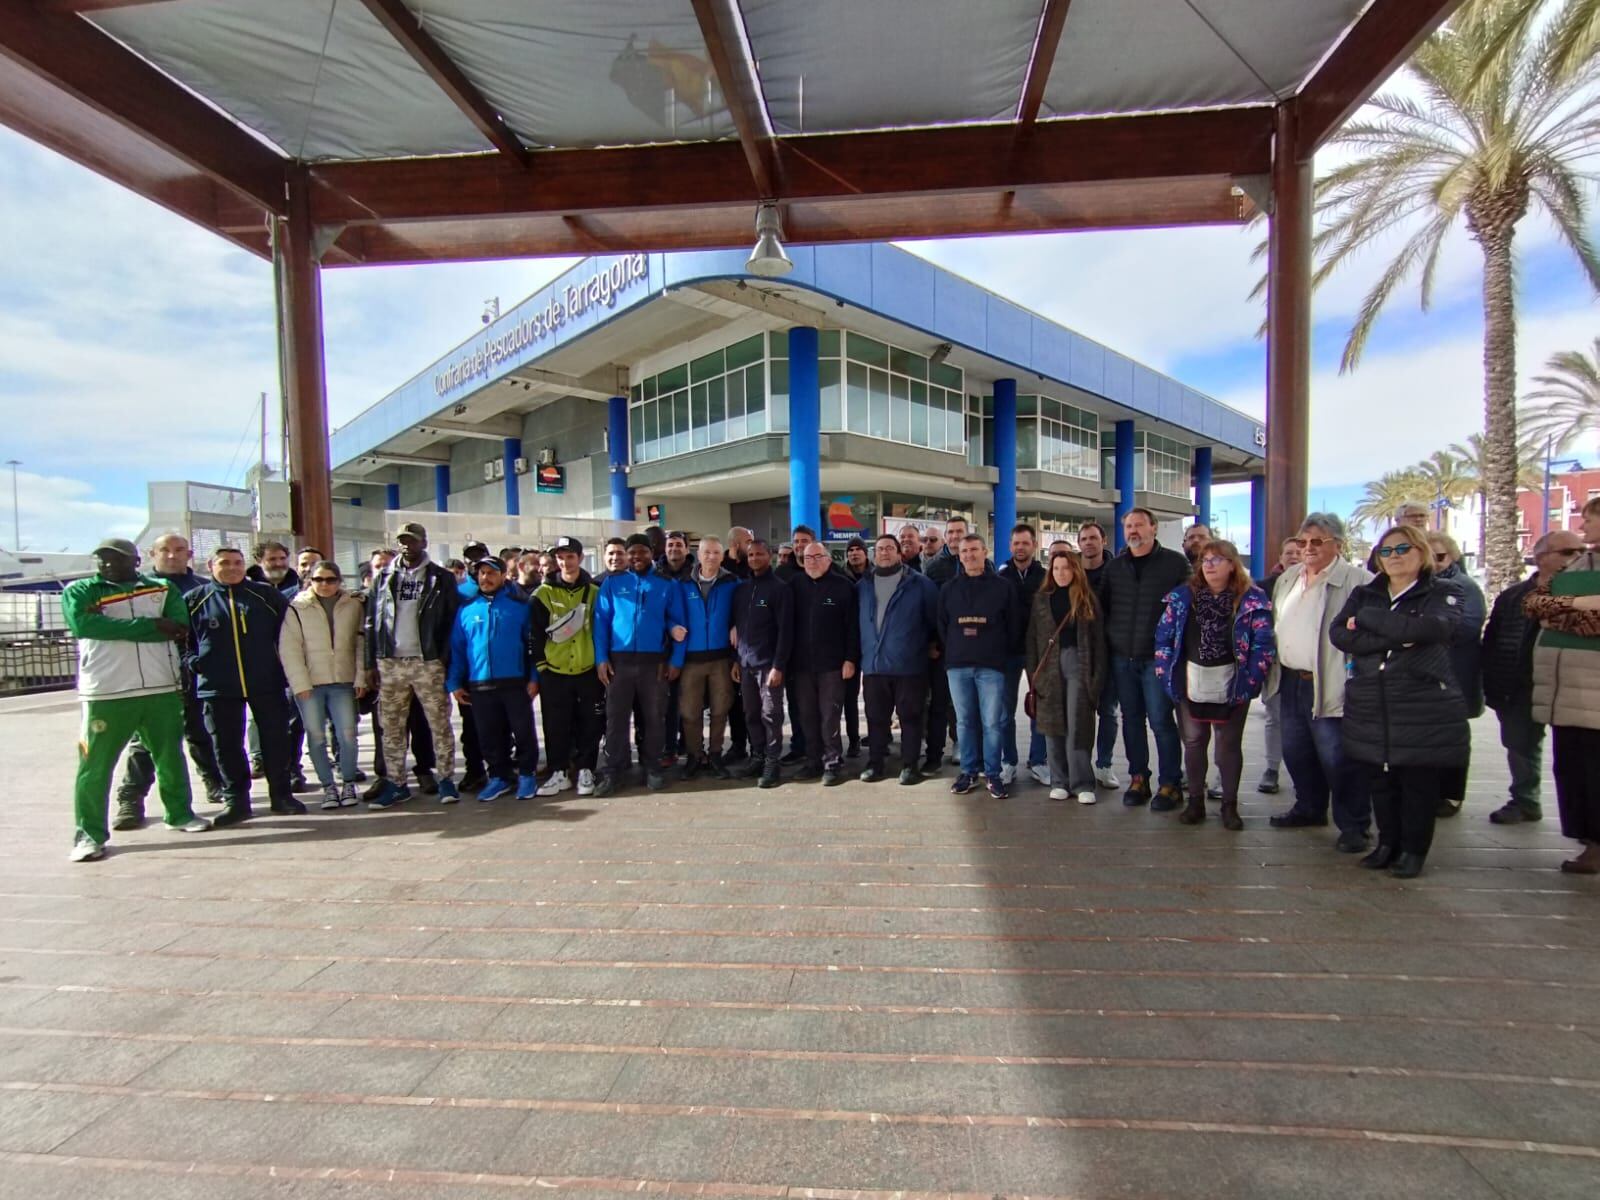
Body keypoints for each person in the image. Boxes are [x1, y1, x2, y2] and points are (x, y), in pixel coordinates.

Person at [1330, 525, 1470, 878]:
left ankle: (1413, 850)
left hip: (1420, 704)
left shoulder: (1445, 591)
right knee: (1380, 779)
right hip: (1371, 702)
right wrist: (1395, 635)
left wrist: (1366, 621)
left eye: (1402, 549)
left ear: (1421, 553)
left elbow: (1432, 630)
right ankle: (1387, 844)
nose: (1393, 557)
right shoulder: (1366, 592)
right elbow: (1339, 635)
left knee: (1417, 783)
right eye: (1386, 551)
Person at [62, 538, 212, 861]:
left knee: (170, 755)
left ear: (135, 560)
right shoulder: (80, 590)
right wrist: (151, 625)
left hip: (160, 686)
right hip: (106, 691)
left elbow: (178, 627)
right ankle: (89, 834)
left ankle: (180, 813)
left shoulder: (161, 589)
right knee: (95, 765)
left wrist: (115, 625)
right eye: (101, 559)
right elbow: (85, 625)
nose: (106, 564)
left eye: (115, 558)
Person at [1264, 513, 1374, 852]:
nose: (1307, 548)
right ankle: (1309, 807)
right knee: (1297, 752)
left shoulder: (1360, 581)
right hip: (1290, 680)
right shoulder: (1289, 579)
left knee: (1338, 758)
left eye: (1317, 542)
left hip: (1330, 681)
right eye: (1302, 542)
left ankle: (1354, 824)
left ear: (1337, 545)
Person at [1153, 540, 1276, 830]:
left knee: (1227, 747)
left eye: (1217, 560)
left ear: (1232, 564)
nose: (1208, 565)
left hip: (1234, 685)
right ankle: (1195, 801)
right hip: (1189, 682)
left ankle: (1229, 806)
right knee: (1194, 743)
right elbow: (1163, 638)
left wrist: (1252, 678)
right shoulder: (1183, 598)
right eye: (1205, 560)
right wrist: (1164, 672)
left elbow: (1264, 644)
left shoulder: (1252, 600)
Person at [109, 531, 224, 830]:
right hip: (150, 672)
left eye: (179, 549)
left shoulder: (205, 588)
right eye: (165, 550)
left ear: (189, 554)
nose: (172, 555)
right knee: (145, 741)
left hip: (194, 672)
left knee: (202, 729)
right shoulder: (137, 590)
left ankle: (214, 781)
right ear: (152, 554)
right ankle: (131, 798)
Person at [187, 546, 302, 825]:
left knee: (276, 740)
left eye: (237, 563)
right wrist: (193, 661)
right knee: (226, 745)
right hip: (218, 685)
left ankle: (281, 795)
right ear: (210, 566)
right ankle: (236, 801)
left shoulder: (264, 595)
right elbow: (183, 639)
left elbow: (289, 632)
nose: (232, 568)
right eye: (225, 563)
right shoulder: (194, 600)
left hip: (266, 681)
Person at [1484, 532, 1583, 824]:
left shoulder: (1586, 595)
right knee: (1519, 745)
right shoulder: (1513, 597)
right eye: (1566, 552)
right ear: (1541, 558)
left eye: (1580, 550)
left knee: (1577, 755)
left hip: (1573, 688)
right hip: (1519, 687)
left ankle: (1583, 819)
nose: (1575, 557)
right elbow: (1492, 642)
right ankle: (1525, 800)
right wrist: (1492, 685)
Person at [1526, 496, 1600, 874]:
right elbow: (1538, 605)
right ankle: (1587, 840)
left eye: (1590, 520)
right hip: (1563, 690)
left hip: (1593, 693)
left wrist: (1565, 613)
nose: (1584, 527)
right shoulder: (1577, 566)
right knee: (1571, 770)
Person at [366, 522, 462, 808]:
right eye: (402, 540)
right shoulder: (383, 577)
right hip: (391, 662)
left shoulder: (440, 578)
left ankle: (445, 779)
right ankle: (396, 784)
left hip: (427, 661)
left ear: (424, 542)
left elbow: (450, 620)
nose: (406, 545)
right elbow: (371, 622)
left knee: (439, 723)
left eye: (412, 540)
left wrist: (443, 658)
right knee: (391, 727)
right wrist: (371, 663)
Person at [1099, 507, 1190, 809]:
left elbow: (1186, 611)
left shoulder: (1175, 564)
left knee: (1162, 721)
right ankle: (1138, 778)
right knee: (1132, 720)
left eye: (1139, 525)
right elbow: (1104, 609)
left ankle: (1170, 785)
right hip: (1122, 657)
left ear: (1154, 528)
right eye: (1128, 527)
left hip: (1157, 659)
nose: (1133, 531)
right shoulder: (1115, 567)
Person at [594, 533, 687, 796]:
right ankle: (615, 770)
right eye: (631, 552)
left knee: (654, 718)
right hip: (618, 663)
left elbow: (679, 624)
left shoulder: (666, 584)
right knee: (616, 719)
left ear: (651, 553)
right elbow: (600, 623)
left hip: (653, 664)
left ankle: (653, 767)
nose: (636, 557)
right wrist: (601, 658)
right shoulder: (612, 583)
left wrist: (676, 660)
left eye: (641, 552)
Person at [939, 533, 1025, 798]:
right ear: (959, 555)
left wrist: (997, 651)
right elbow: (943, 626)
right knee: (964, 722)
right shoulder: (948, 589)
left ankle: (993, 774)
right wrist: (956, 649)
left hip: (991, 665)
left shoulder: (1003, 587)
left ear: (984, 551)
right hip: (958, 665)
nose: (969, 555)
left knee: (992, 723)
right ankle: (968, 772)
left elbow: (1014, 625)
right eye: (964, 551)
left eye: (974, 550)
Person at [448, 557, 540, 802]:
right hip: (479, 683)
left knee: (523, 731)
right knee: (488, 734)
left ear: (502, 576)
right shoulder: (467, 609)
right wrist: (455, 683)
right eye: (481, 573)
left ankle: (527, 774)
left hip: (514, 681)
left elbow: (532, 646)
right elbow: (458, 649)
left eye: (491, 573)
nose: (485, 578)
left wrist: (533, 677)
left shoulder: (519, 606)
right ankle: (499, 776)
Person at [278, 560, 365, 810]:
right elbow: (290, 648)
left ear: (339, 581)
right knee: (316, 737)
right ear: (310, 580)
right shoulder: (296, 607)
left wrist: (360, 677)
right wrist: (299, 683)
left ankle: (348, 782)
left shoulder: (353, 605)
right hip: (311, 683)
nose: (324, 585)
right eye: (318, 580)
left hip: (343, 680)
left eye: (330, 579)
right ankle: (328, 787)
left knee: (347, 735)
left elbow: (361, 644)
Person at [858, 533, 940, 785]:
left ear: (899, 553)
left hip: (909, 666)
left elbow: (934, 620)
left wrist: (931, 646)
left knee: (911, 717)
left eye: (889, 548)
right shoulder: (862, 586)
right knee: (876, 718)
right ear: (874, 554)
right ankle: (875, 764)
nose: (884, 552)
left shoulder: (920, 584)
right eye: (880, 548)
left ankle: (909, 765)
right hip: (874, 666)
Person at [1025, 547, 1106, 804]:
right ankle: (1059, 780)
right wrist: (1033, 676)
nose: (1061, 573)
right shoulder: (1041, 599)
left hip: (1077, 663)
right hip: (1048, 667)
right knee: (1052, 724)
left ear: (1075, 570)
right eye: (1056, 568)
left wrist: (1095, 680)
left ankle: (1082, 783)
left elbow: (1099, 642)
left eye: (1066, 567)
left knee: (1078, 723)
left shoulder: (1086, 599)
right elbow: (1032, 639)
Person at [528, 535, 604, 797]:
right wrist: (541, 667)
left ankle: (586, 769)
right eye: (560, 557)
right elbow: (535, 634)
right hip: (555, 672)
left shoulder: (595, 592)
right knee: (555, 724)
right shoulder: (542, 593)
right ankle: (559, 771)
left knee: (590, 723)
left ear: (580, 558)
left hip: (588, 671)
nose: (565, 562)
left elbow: (602, 630)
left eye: (570, 556)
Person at [787, 541, 860, 785]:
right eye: (808, 558)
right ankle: (813, 761)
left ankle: (832, 762)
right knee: (807, 715)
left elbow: (853, 627)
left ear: (828, 559)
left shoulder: (844, 587)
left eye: (818, 557)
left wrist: (850, 659)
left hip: (833, 665)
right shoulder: (795, 586)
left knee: (829, 715)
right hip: (802, 666)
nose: (813, 562)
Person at [1425, 530, 1486, 818]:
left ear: (1453, 556)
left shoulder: (1464, 586)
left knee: (1453, 738)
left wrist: (1420, 630)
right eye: (1428, 556)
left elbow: (1468, 627)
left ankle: (1451, 794)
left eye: (1440, 556)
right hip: (1424, 676)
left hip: (1455, 675)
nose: (1434, 562)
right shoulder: (1418, 586)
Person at [676, 535, 739, 780]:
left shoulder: (732, 582)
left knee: (720, 709)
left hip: (720, 659)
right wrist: (673, 627)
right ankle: (694, 755)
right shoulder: (681, 583)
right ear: (698, 554)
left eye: (716, 552)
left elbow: (742, 610)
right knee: (690, 711)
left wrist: (737, 625)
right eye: (707, 552)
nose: (711, 557)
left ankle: (714, 755)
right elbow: (671, 613)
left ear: (722, 556)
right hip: (691, 659)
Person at [731, 539, 791, 787]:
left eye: (760, 554)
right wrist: (737, 660)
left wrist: (778, 665)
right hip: (745, 664)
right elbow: (739, 630)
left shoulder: (779, 588)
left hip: (768, 665)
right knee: (751, 713)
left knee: (771, 715)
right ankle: (757, 755)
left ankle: (772, 762)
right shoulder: (742, 589)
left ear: (770, 556)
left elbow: (786, 631)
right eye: (751, 554)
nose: (754, 558)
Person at [1253, 535, 1305, 796]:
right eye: (1289, 553)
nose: (1294, 556)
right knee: (1274, 717)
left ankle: (1306, 777)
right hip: (1275, 664)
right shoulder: (1264, 587)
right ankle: (1272, 769)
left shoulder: (1314, 585)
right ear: (1280, 558)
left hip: (1306, 667)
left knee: (1305, 722)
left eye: (1299, 552)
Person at [999, 523, 1048, 787]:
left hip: (1037, 652)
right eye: (1016, 543)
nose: (1020, 547)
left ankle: (1039, 761)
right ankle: (1008, 762)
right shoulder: (1001, 576)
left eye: (1025, 543)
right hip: (1006, 653)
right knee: (1004, 711)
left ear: (1034, 544)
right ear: (1010, 546)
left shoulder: (1045, 576)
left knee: (1038, 709)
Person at [1077, 520, 1120, 790]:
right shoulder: (1072, 572)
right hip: (1080, 654)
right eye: (1084, 539)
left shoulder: (1116, 571)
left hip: (1111, 651)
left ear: (1103, 541)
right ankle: (1080, 766)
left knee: (1108, 711)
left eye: (1094, 538)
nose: (1089, 543)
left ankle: (1103, 765)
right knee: (1080, 713)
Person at [655, 531, 695, 766]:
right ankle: (668, 748)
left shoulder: (695, 575)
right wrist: (670, 627)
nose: (674, 549)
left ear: (686, 549)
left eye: (679, 545)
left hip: (696, 649)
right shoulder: (656, 575)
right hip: (665, 651)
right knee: (667, 705)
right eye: (670, 545)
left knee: (691, 705)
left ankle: (692, 750)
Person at [841, 537, 870, 757]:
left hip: (871, 643)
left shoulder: (877, 574)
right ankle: (853, 739)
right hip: (848, 643)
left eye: (858, 549)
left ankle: (881, 735)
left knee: (874, 695)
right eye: (850, 550)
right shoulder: (840, 577)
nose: (854, 553)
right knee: (849, 697)